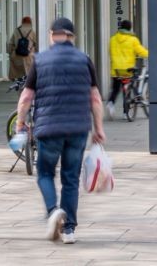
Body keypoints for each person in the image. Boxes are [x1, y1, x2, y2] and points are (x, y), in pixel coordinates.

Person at [15, 18, 105, 245]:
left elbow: (26, 97)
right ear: (72, 36)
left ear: (51, 34)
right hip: (77, 129)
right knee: (70, 178)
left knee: (45, 173)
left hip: (48, 128)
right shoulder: (84, 60)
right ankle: (70, 230)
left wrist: (20, 124)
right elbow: (95, 97)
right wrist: (99, 128)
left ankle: (54, 210)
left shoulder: (40, 60)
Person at [108, 19, 148, 119]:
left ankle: (110, 103)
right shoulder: (132, 39)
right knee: (127, 91)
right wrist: (150, 54)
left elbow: (110, 52)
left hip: (116, 70)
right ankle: (126, 113)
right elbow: (141, 52)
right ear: (130, 28)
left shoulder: (113, 39)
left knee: (115, 89)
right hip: (128, 70)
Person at [8, 16, 37, 80]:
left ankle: (20, 84)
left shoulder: (16, 30)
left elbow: (10, 43)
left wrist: (10, 53)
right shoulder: (32, 31)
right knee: (28, 74)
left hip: (17, 55)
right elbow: (36, 43)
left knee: (19, 75)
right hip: (28, 56)